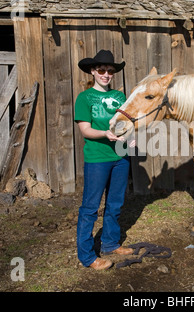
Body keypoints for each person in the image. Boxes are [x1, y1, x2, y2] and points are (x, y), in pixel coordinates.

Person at [75, 50, 134, 270]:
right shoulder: (84, 98)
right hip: (97, 158)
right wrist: (105, 134)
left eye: (110, 71)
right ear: (93, 71)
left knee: (115, 204)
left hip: (120, 158)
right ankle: (87, 256)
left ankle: (109, 243)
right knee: (90, 207)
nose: (106, 74)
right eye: (101, 70)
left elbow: (125, 125)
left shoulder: (120, 98)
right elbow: (85, 129)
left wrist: (131, 138)